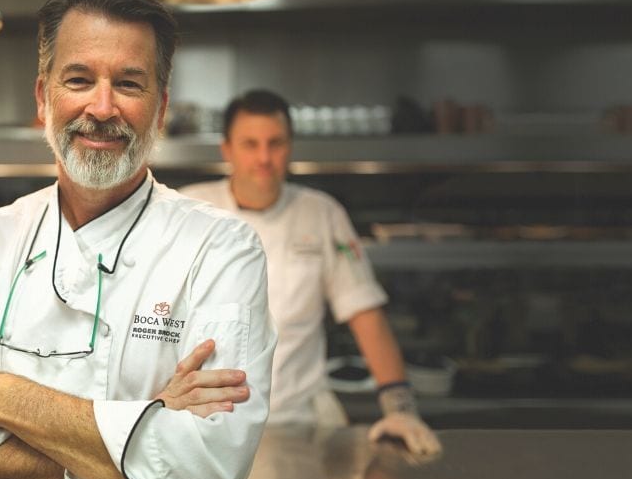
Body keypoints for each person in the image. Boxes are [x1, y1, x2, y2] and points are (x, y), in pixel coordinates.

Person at [0, 0, 275, 479]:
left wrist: (2, 397)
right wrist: (146, 424)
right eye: (79, 80)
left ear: (160, 108)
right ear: (43, 99)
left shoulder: (221, 248)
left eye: (129, 83)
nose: (102, 107)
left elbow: (209, 468)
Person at [181, 89, 441, 455]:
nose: (264, 157)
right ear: (227, 149)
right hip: (202, 427)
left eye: (275, 143)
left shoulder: (322, 214)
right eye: (250, 144)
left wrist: (401, 409)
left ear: (290, 147)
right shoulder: (189, 210)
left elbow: (364, 311)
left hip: (297, 423)